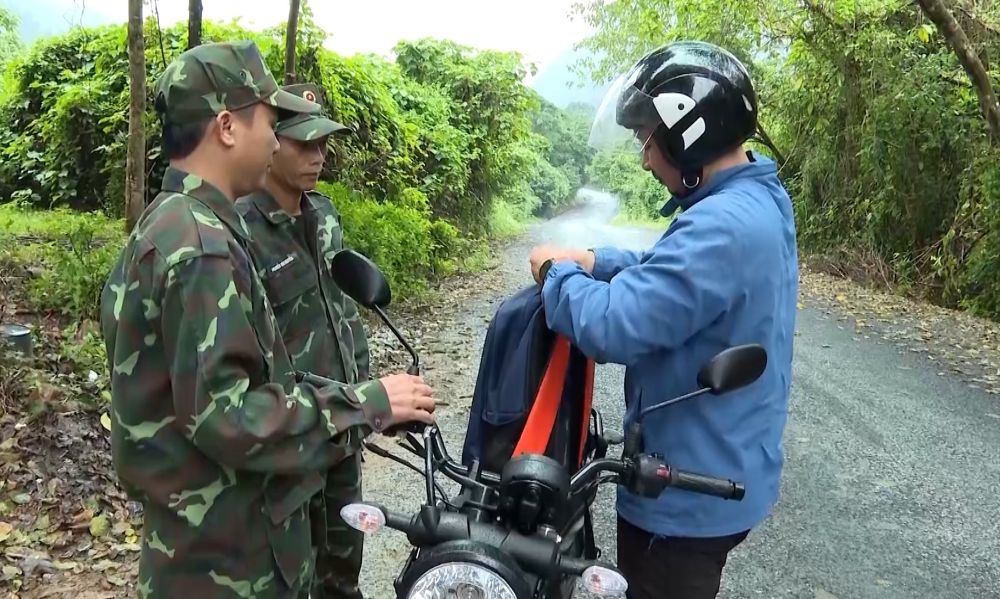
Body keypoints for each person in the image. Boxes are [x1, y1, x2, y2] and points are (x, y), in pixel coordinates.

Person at [99, 40, 436, 598]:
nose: (278, 139)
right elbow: (229, 418)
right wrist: (363, 405)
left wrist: (368, 407)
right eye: (271, 123)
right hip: (227, 565)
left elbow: (254, 381)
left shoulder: (175, 223)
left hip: (209, 545)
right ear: (227, 126)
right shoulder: (201, 246)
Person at [528, 40, 798, 599]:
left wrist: (558, 275)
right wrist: (597, 260)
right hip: (726, 459)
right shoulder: (754, 197)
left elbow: (614, 324)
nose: (646, 158)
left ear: (688, 132)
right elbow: (674, 272)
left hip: (686, 494)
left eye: (649, 139)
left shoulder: (721, 225)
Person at [235, 82, 372, 599]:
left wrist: (367, 393)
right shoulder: (242, 230)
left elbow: (342, 311)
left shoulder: (325, 214)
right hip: (291, 431)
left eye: (323, 145)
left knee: (345, 559)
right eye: (304, 145)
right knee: (293, 571)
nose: (318, 157)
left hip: (342, 421)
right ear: (272, 145)